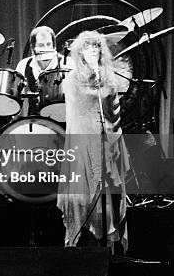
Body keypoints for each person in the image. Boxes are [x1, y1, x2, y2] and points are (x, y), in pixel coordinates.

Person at [57, 30, 131, 252]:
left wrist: (100, 77)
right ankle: (79, 245)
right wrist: (91, 75)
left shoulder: (109, 80)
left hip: (105, 145)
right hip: (82, 147)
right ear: (79, 52)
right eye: (88, 47)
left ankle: (106, 249)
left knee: (108, 201)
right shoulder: (71, 81)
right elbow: (77, 108)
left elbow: (114, 113)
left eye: (96, 46)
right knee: (81, 199)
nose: (93, 50)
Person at [15, 26, 74, 115]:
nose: (46, 48)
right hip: (35, 121)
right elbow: (17, 98)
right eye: (41, 45)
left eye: (49, 44)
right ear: (33, 48)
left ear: (54, 46)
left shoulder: (67, 63)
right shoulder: (23, 65)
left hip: (63, 117)